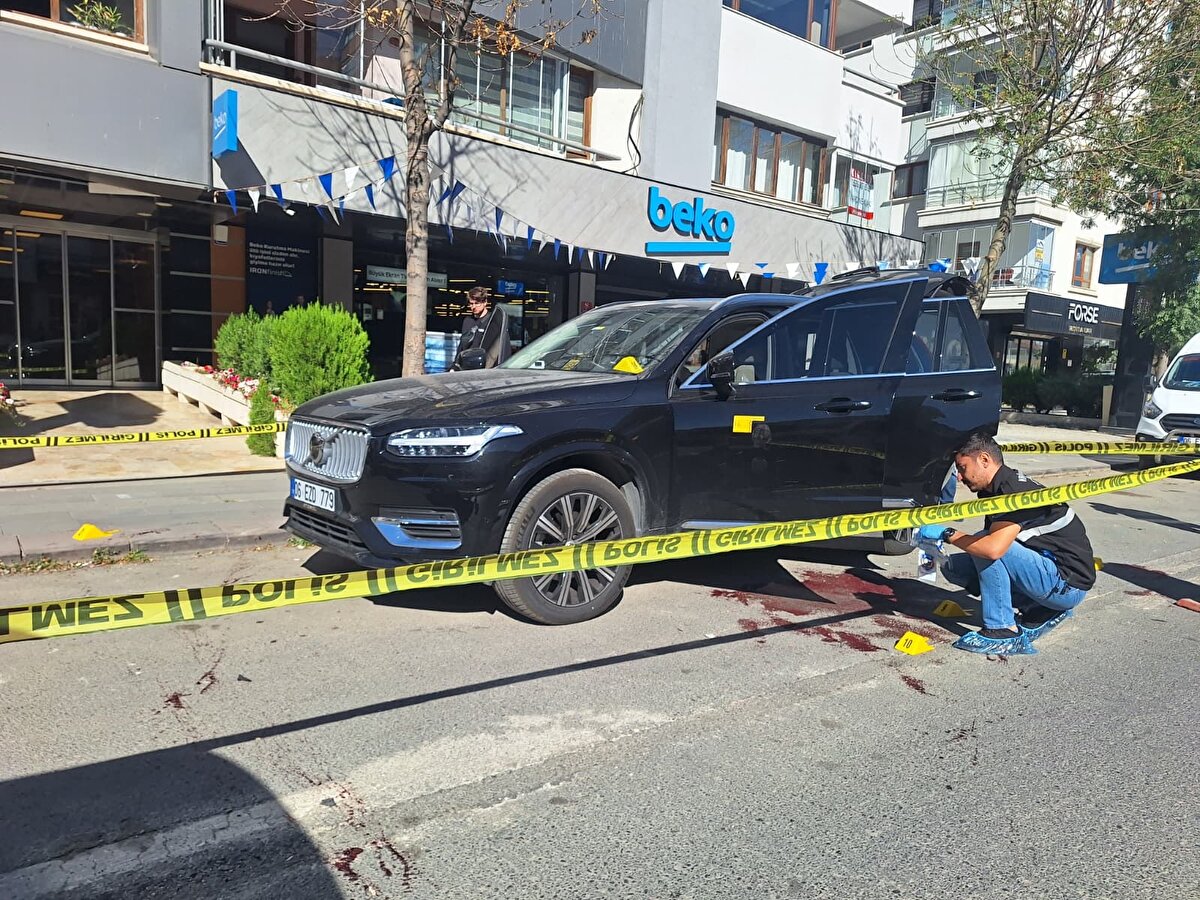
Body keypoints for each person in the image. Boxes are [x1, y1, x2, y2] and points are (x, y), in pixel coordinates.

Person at [918, 432, 1096, 655]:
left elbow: (993, 549)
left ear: (984, 459)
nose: (960, 478)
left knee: (986, 545)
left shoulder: (1011, 491)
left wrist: (947, 533)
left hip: (1067, 585)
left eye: (962, 468)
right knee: (954, 568)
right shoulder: (994, 488)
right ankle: (1039, 608)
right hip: (1049, 572)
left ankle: (1003, 630)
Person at [451, 286, 511, 370]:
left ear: (485, 302)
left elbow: (498, 348)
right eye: (471, 303)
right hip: (465, 367)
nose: (473, 306)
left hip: (484, 368)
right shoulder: (467, 321)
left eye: (477, 303)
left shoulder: (493, 322)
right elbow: (462, 346)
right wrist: (455, 365)